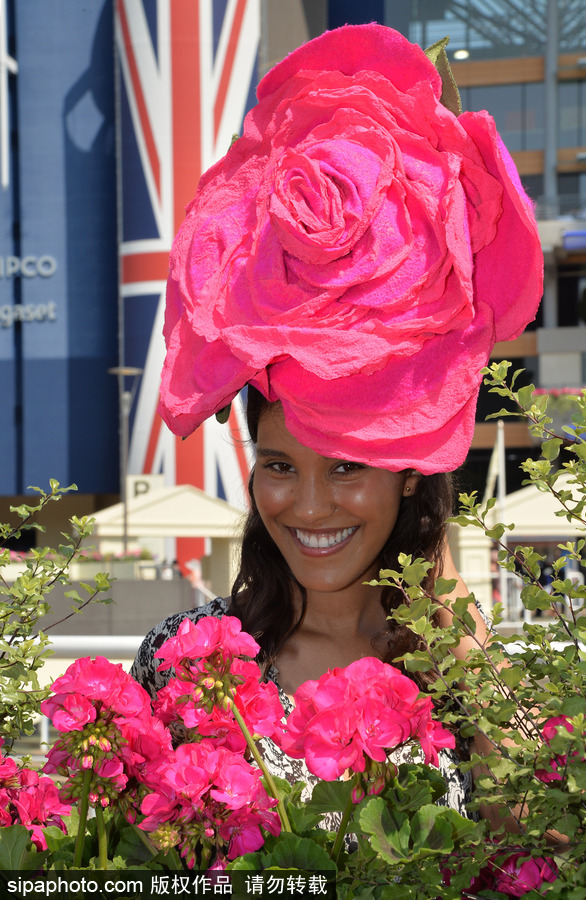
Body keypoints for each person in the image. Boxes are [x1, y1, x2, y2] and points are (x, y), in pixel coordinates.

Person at [131, 22, 543, 822]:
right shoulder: (186, 662)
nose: (309, 505)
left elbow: (541, 835)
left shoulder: (460, 672)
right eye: (280, 465)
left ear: (409, 473)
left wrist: (451, 613)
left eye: (347, 466)